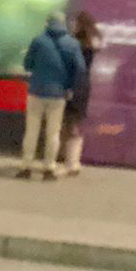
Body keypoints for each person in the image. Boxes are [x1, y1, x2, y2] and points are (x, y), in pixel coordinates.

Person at [18, 10, 82, 181]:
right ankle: (49, 168)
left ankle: (26, 166)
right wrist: (68, 85)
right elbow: (80, 69)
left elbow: (27, 64)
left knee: (31, 131)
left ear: (47, 23)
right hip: (58, 94)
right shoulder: (72, 44)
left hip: (36, 91)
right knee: (53, 133)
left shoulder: (38, 41)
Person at [59, 10, 101, 177]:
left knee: (69, 125)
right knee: (74, 124)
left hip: (73, 87)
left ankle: (70, 162)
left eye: (75, 23)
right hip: (83, 87)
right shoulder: (91, 45)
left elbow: (73, 68)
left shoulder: (77, 45)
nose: (72, 25)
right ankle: (73, 161)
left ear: (80, 25)